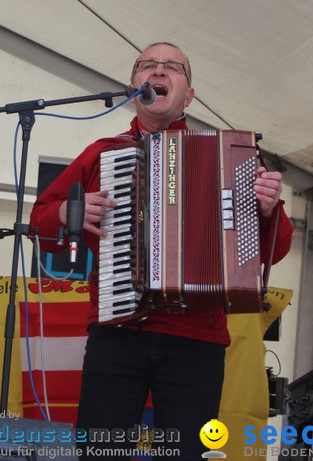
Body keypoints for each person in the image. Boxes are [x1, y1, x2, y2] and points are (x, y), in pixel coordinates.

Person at [30, 42, 292, 459]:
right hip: (118, 329)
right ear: (134, 86)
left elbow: (273, 252)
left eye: (173, 67)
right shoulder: (103, 152)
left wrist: (266, 209)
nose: (159, 70)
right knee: (100, 452)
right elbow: (39, 218)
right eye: (148, 65)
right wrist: (65, 212)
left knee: (188, 453)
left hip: (196, 336)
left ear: (188, 95)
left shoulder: (234, 158)